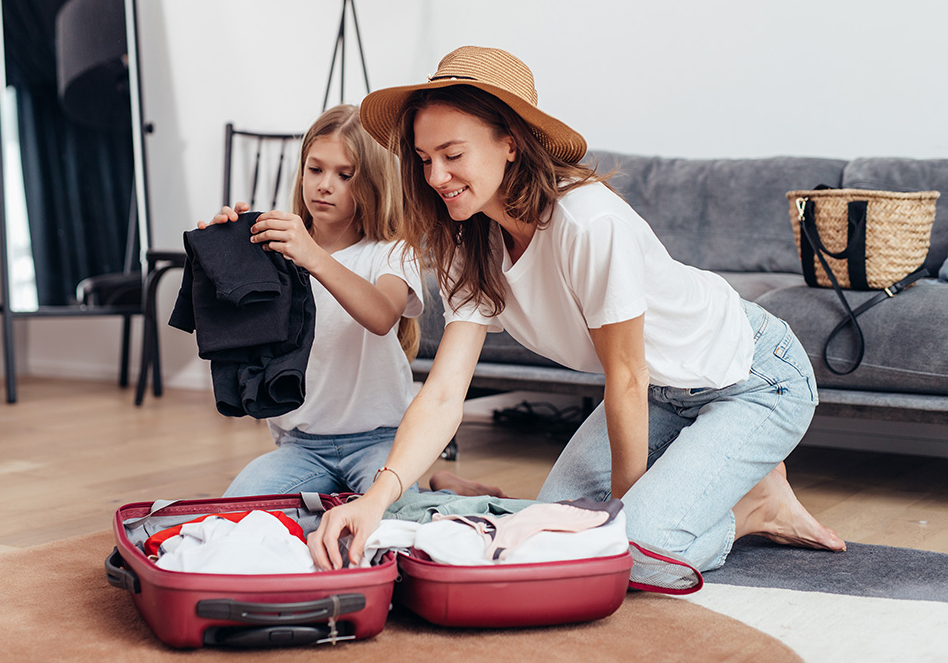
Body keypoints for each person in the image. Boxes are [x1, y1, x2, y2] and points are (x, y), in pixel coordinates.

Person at [307, 46, 847, 572]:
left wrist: (618, 522)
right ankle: (707, 487)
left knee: (632, 551)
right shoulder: (464, 241)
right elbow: (446, 392)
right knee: (553, 522)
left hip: (753, 376)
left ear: (511, 143)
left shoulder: (586, 221)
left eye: (453, 155)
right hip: (661, 389)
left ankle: (755, 507)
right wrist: (375, 498)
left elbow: (626, 375)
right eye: (425, 160)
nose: (435, 177)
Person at [199, 104, 434, 497]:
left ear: (374, 183)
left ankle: (440, 488)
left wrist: (312, 256)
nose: (325, 184)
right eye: (315, 169)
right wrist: (227, 251)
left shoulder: (391, 252)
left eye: (345, 175)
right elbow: (234, 326)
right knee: (234, 512)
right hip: (301, 448)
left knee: (397, 522)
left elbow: (381, 315)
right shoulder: (277, 247)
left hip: (380, 442)